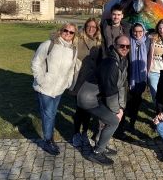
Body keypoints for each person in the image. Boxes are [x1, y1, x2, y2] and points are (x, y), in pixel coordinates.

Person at [31, 23, 78, 155]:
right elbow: (36, 62)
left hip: (59, 88)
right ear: (60, 31)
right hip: (45, 87)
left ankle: (49, 138)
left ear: (74, 35)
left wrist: (67, 83)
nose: (68, 34)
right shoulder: (49, 44)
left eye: (71, 32)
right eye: (66, 30)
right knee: (49, 114)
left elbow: (71, 69)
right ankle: (48, 141)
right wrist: (41, 80)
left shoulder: (73, 50)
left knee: (51, 113)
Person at [85, 35, 130, 166]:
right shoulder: (110, 63)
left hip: (101, 97)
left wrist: (121, 107)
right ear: (115, 46)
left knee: (108, 121)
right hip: (90, 98)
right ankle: (97, 153)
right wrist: (116, 111)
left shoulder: (122, 60)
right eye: (122, 46)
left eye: (127, 46)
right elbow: (110, 91)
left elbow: (122, 85)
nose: (125, 49)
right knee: (113, 122)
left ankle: (101, 145)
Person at [70, 18, 102, 148]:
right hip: (79, 78)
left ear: (97, 29)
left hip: (92, 80)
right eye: (89, 26)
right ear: (85, 26)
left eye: (94, 27)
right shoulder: (78, 39)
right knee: (79, 108)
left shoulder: (99, 42)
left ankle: (84, 133)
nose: (91, 29)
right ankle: (76, 133)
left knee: (88, 108)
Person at [121, 23, 150, 133]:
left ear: (143, 32)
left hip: (141, 77)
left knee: (137, 101)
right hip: (130, 75)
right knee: (127, 100)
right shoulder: (128, 41)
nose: (137, 34)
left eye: (140, 31)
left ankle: (132, 123)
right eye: (135, 31)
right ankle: (123, 123)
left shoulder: (147, 41)